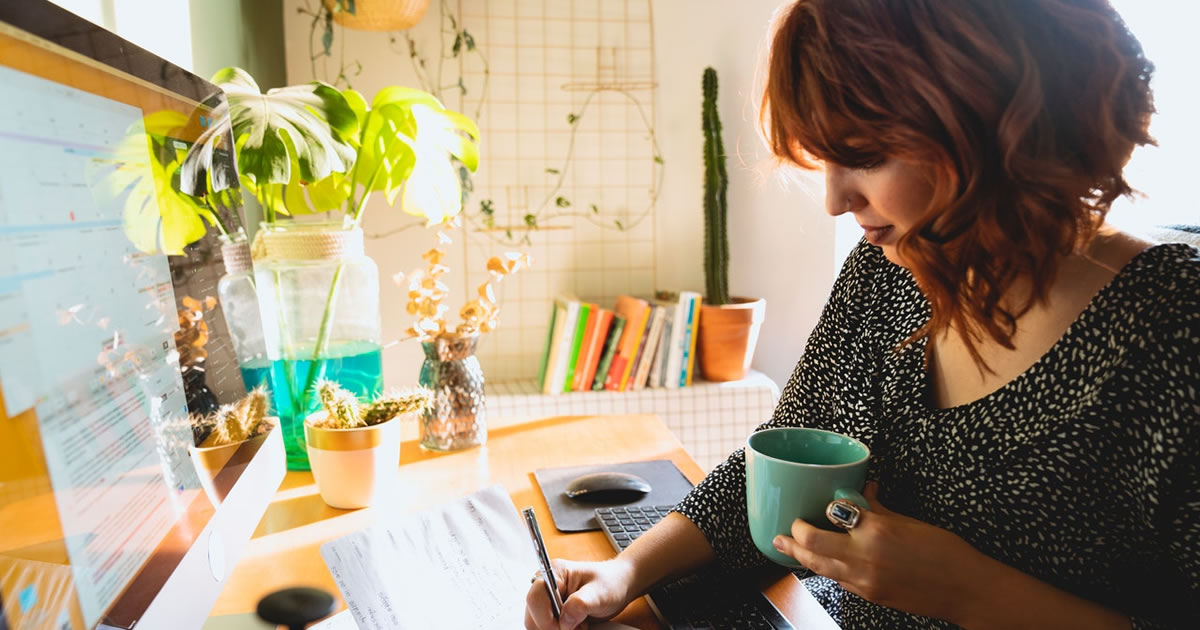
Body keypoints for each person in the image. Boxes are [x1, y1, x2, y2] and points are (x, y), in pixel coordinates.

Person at [524, 0, 1199, 628]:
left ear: (997, 124)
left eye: (865, 156)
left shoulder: (1174, 328)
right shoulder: (890, 270)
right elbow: (779, 460)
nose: (834, 200)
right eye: (826, 159)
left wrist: (961, 587)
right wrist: (622, 575)